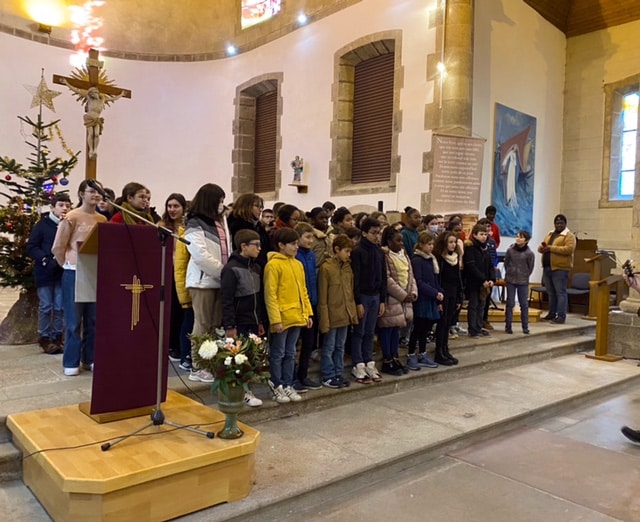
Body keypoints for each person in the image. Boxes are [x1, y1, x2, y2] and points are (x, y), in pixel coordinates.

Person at [51, 180, 107, 376]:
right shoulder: (71, 217)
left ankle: (89, 358)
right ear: (81, 194)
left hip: (95, 272)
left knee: (93, 319)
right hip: (74, 271)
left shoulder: (102, 219)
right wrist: (67, 263)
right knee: (74, 320)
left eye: (98, 191)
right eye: (91, 191)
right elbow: (58, 246)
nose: (96, 195)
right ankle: (71, 361)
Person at [184, 183, 230, 383]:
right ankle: (197, 365)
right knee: (201, 323)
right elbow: (199, 253)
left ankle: (210, 362)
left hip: (220, 280)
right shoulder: (195, 222)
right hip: (203, 280)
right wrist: (222, 271)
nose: (222, 205)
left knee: (214, 325)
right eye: (219, 200)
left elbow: (226, 247)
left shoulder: (220, 221)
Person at [264, 227, 313, 404]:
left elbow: (303, 291)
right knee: (278, 353)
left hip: (297, 316)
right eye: (292, 244)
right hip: (282, 318)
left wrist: (307, 313)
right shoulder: (273, 265)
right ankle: (276, 383)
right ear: (281, 245)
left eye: (296, 243)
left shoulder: (297, 264)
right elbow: (271, 295)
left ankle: (287, 383)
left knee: (291, 353)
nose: (296, 247)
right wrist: (275, 319)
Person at [220, 229, 267, 408]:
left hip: (253, 320)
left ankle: (248, 388)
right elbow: (227, 300)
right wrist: (230, 325)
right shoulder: (231, 269)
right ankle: (243, 391)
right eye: (256, 245)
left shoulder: (256, 267)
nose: (260, 248)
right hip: (239, 321)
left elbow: (259, 298)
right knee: (240, 359)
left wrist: (260, 320)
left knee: (251, 358)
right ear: (243, 246)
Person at [26, 193, 72, 354]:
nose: (64, 208)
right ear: (52, 207)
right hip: (45, 271)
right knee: (46, 305)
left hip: (61, 271)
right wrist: (45, 259)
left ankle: (57, 336)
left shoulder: (69, 223)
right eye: (61, 205)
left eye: (67, 205)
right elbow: (31, 246)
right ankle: (44, 337)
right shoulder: (42, 225)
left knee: (60, 306)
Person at [317, 235, 357, 388]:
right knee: (329, 346)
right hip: (332, 315)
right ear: (336, 250)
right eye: (346, 251)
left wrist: (352, 313)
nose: (348, 255)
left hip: (345, 314)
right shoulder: (326, 268)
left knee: (340, 346)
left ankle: (338, 373)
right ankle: (328, 375)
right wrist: (324, 319)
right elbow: (323, 297)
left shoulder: (348, 267)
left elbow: (350, 292)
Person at [350, 217, 386, 384]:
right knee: (359, 331)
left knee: (370, 331)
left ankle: (368, 361)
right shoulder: (357, 252)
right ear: (364, 233)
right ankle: (358, 363)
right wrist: (357, 301)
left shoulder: (379, 251)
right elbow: (356, 279)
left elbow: (383, 277)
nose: (376, 236)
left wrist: (383, 299)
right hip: (363, 295)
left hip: (376, 295)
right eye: (373, 233)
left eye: (378, 233)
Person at [378, 226, 417, 376]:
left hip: (404, 297)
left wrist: (412, 292)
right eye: (398, 240)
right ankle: (387, 360)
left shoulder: (404, 254)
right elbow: (387, 279)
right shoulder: (385, 256)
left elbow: (410, 275)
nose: (401, 243)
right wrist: (402, 294)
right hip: (392, 298)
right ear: (389, 241)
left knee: (396, 329)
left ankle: (394, 357)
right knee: (388, 328)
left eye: (402, 240)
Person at [293, 222, 322, 392]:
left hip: (312, 303)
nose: (311, 241)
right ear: (298, 238)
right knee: (295, 344)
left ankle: (303, 375)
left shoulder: (311, 255)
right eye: (308, 237)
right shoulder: (296, 255)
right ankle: (292, 377)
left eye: (312, 237)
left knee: (309, 343)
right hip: (298, 305)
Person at [62, 80, 123, 159]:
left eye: (94, 92)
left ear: (97, 93)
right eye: (91, 93)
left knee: (97, 134)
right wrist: (67, 83)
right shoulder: (90, 99)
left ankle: (95, 150)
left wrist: (121, 94)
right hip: (89, 117)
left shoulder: (102, 100)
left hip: (97, 118)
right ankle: (91, 150)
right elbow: (76, 90)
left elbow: (113, 98)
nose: (93, 94)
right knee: (91, 134)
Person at [159, 193, 188, 362]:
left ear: (183, 208)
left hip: (183, 272)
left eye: (176, 206)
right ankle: (170, 345)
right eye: (169, 206)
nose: (172, 209)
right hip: (168, 271)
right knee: (171, 310)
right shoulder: (162, 225)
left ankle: (179, 344)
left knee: (182, 309)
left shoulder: (188, 226)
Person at [409, 231, 444, 368]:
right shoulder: (417, 260)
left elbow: (435, 280)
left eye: (432, 244)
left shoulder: (431, 259)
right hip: (422, 299)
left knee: (425, 329)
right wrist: (434, 293)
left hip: (431, 298)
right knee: (418, 328)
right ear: (421, 245)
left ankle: (422, 353)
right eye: (429, 244)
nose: (431, 247)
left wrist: (439, 294)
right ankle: (411, 354)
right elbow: (419, 281)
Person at [537, 214, 576, 324]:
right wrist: (542, 248)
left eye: (561, 223)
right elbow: (541, 248)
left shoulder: (568, 236)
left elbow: (569, 249)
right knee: (551, 292)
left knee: (560, 292)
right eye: (557, 223)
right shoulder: (550, 234)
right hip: (547, 267)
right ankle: (551, 313)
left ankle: (561, 316)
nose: (559, 225)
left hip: (560, 268)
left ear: (565, 224)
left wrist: (551, 248)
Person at [433, 231, 463, 365]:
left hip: (453, 293)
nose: (453, 245)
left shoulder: (456, 258)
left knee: (449, 322)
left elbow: (458, 279)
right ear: (444, 242)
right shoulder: (439, 258)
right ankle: (439, 351)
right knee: (442, 323)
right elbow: (437, 279)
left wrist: (459, 298)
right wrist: (438, 299)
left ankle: (445, 349)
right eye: (450, 242)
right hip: (443, 293)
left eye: (455, 242)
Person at [463, 223, 495, 338]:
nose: (484, 237)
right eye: (481, 234)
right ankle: (472, 329)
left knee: (482, 306)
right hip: (474, 282)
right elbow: (471, 266)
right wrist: (482, 279)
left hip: (485, 283)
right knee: (474, 306)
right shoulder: (471, 248)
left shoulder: (485, 248)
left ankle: (478, 326)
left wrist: (492, 279)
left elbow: (490, 265)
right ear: (475, 235)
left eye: (485, 234)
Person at [504, 230, 535, 334]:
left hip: (523, 280)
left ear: (526, 240)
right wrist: (510, 272)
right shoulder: (510, 250)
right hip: (511, 279)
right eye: (517, 236)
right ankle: (508, 326)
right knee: (510, 303)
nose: (518, 239)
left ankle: (525, 327)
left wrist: (524, 275)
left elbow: (530, 268)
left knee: (524, 304)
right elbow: (506, 263)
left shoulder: (529, 253)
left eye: (521, 237)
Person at [227, 193, 270, 267]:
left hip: (259, 266)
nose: (260, 210)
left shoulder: (259, 226)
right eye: (257, 206)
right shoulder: (237, 224)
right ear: (245, 206)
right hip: (244, 265)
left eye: (261, 207)